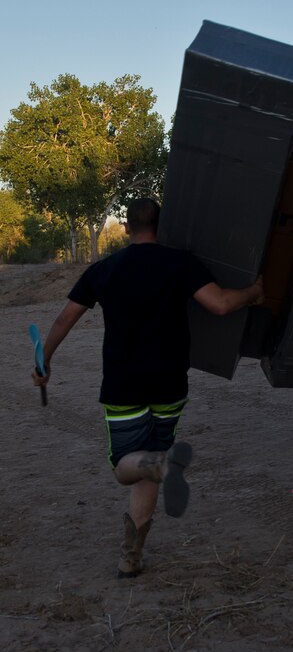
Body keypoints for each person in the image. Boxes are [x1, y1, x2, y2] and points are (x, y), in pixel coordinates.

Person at [31, 198, 264, 577]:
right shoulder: (180, 262)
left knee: (126, 467)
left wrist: (46, 361)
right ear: (161, 226)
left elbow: (64, 318)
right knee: (150, 464)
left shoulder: (104, 269)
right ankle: (131, 557)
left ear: (126, 228)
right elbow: (220, 304)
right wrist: (253, 292)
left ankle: (157, 470)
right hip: (170, 383)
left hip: (124, 385)